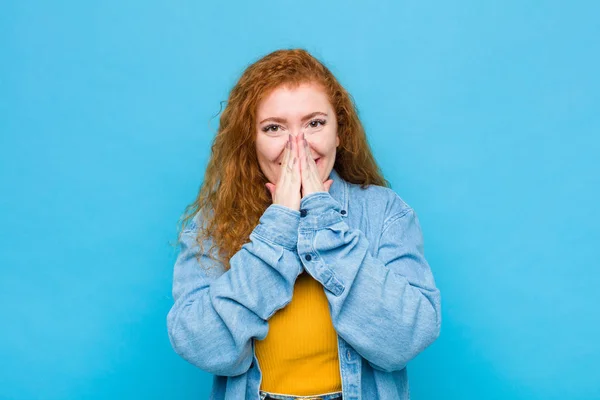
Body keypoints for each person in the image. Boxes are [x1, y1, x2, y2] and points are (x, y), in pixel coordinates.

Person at [166, 48, 442, 400]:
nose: (297, 146)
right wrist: (278, 227)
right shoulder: (213, 223)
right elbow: (204, 347)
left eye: (315, 123)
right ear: (251, 141)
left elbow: (405, 340)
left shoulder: (384, 211)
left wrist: (324, 223)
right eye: (273, 128)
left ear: (339, 132)